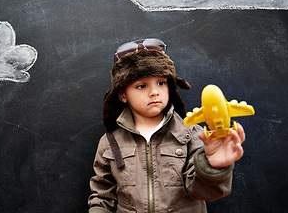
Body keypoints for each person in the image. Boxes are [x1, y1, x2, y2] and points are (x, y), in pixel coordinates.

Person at [88, 38, 245, 213]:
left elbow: (203, 192)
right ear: (123, 95)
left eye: (161, 83)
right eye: (141, 85)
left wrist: (213, 167)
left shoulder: (193, 134)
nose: (154, 91)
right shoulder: (109, 142)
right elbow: (102, 196)